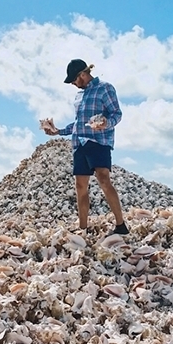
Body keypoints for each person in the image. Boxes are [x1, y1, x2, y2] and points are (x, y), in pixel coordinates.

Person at [45, 59, 129, 236]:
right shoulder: (79, 96)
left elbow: (117, 114)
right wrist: (58, 131)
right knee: (80, 186)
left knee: (104, 179)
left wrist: (106, 123)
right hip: (79, 143)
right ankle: (83, 228)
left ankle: (121, 225)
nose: (73, 85)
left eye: (74, 80)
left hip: (99, 141)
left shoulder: (105, 88)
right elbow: (78, 123)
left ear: (82, 75)